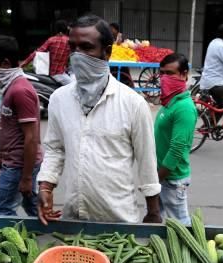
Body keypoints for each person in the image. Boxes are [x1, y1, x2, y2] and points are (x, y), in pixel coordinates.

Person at [36, 15, 161, 225]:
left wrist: (153, 212)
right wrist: (46, 186)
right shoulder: (59, 99)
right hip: (74, 216)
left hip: (119, 219)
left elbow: (146, 161)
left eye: (86, 47)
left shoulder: (132, 103)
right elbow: (55, 148)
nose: (77, 55)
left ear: (107, 52)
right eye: (73, 47)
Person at [0, 36, 43, 217]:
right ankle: (50, 236)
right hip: (14, 161)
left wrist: (25, 177)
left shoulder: (20, 91)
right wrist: (1, 155)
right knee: (33, 207)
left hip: (19, 165)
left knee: (3, 211)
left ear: (5, 63)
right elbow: (11, 129)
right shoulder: (10, 86)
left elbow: (31, 138)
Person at [155, 53, 197, 225]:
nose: (164, 78)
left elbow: (177, 149)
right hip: (163, 176)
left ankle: (191, 251)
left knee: (181, 226)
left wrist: (157, 179)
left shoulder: (184, 108)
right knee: (155, 217)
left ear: (184, 74)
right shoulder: (170, 102)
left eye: (170, 73)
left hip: (172, 178)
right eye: (162, 73)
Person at [21, 20, 72, 85]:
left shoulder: (51, 40)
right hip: (59, 74)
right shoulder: (70, 41)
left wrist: (23, 64)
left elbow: (36, 53)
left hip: (53, 73)